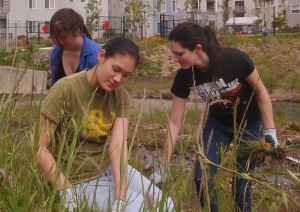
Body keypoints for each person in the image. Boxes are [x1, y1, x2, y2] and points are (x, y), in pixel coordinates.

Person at [35, 36, 174, 211]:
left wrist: (120, 198)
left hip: (108, 168)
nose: (118, 79)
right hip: (77, 178)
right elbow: (39, 148)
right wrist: (65, 188)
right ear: (101, 56)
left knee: (166, 205)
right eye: (115, 69)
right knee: (141, 209)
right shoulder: (65, 89)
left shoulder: (121, 96)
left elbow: (118, 147)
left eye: (126, 75)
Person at [150, 22, 279, 212]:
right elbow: (175, 121)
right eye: (173, 54)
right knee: (202, 177)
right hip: (218, 125)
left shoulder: (234, 59)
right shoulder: (184, 76)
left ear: (198, 48)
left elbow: (261, 91)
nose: (175, 59)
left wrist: (270, 130)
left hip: (250, 124)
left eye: (179, 54)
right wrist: (164, 165)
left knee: (241, 182)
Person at [49, 8, 101, 86]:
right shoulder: (56, 52)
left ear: (77, 31)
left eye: (63, 37)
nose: (60, 41)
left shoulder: (95, 54)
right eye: (57, 37)